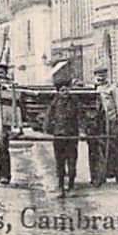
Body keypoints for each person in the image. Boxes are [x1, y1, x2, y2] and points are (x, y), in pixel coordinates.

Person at [44, 62, 80, 195]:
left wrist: (82, 130)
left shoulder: (74, 102)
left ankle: (71, 185)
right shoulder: (54, 104)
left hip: (72, 136)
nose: (65, 92)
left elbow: (80, 116)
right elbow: (48, 118)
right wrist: (49, 130)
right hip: (59, 136)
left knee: (72, 161)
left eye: (67, 89)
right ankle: (60, 185)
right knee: (60, 161)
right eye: (62, 90)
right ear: (58, 92)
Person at [93, 66, 118, 185]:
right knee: (102, 148)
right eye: (98, 75)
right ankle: (104, 174)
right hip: (100, 122)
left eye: (102, 75)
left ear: (106, 76)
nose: (100, 78)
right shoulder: (94, 89)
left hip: (112, 121)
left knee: (115, 148)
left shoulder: (112, 88)